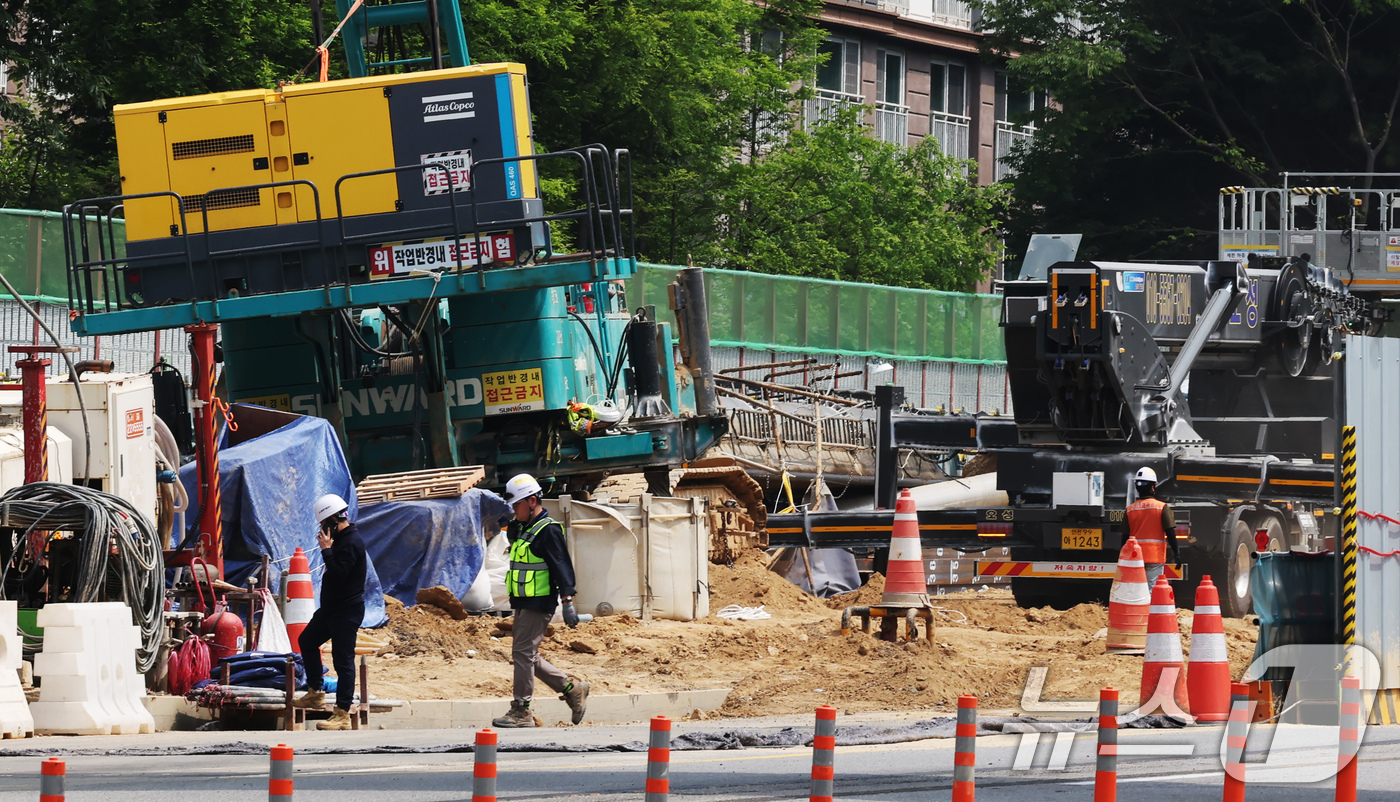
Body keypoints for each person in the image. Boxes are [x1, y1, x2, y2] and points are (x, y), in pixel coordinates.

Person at [491, 473, 590, 728]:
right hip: (524, 601)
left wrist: (567, 601)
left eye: (517, 505)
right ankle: (571, 690)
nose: (514, 510)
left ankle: (521, 710)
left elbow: (562, 567)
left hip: (540, 602)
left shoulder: (548, 531)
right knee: (528, 655)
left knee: (523, 653)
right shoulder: (524, 527)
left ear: (532, 501)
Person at [291, 493, 367, 731]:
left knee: (343, 662)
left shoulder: (352, 542)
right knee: (307, 640)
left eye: (324, 525)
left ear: (333, 521)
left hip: (346, 612)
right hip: (331, 610)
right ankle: (316, 691)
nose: (323, 530)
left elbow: (339, 574)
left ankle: (342, 713)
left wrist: (326, 549)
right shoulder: (343, 540)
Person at [1126, 467, 1179, 588]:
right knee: (1151, 590)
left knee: (1136, 590)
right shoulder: (1161, 507)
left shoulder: (1130, 510)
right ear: (1152, 487)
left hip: (1134, 557)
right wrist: (1177, 554)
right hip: (1154, 557)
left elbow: (1124, 537)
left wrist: (1123, 557)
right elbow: (1170, 532)